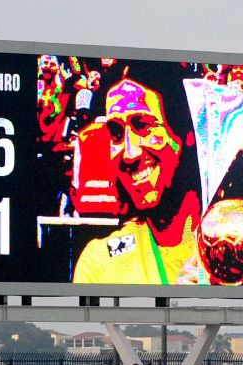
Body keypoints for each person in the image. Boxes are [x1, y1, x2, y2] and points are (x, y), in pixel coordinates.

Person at [72, 78, 202, 285]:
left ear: (186, 134)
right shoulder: (100, 263)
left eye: (142, 125)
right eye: (116, 133)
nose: (129, 153)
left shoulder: (240, 245)